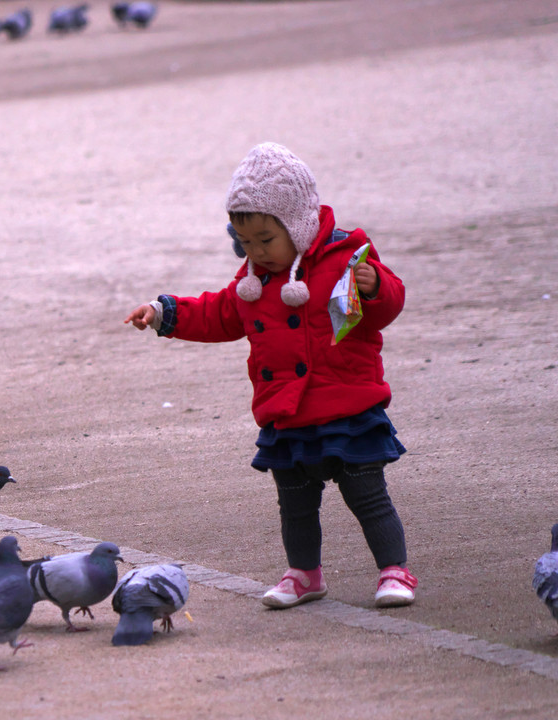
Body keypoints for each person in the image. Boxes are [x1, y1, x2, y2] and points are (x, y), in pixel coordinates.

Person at [124, 142, 417, 609]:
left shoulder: (348, 259)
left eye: (266, 240)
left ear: (298, 226)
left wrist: (378, 286)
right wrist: (165, 314)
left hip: (348, 406)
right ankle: (304, 574)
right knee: (296, 505)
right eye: (246, 243)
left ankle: (394, 570)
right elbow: (217, 314)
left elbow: (388, 307)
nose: (256, 252)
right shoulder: (252, 284)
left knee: (368, 495)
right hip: (287, 413)